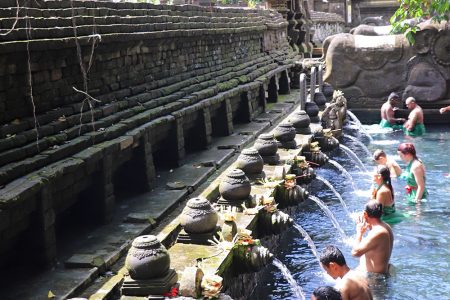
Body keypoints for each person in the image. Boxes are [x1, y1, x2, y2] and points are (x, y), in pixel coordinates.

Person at [352, 201, 394, 274]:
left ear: (365, 214)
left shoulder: (378, 232)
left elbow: (355, 253)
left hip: (374, 280)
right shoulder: (386, 227)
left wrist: (359, 232)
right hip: (379, 275)